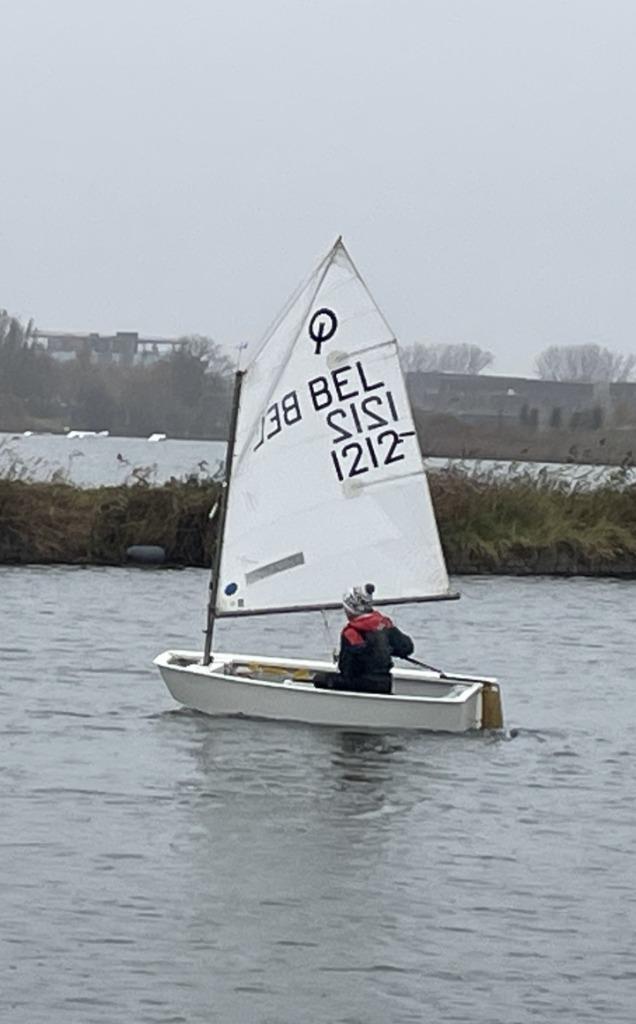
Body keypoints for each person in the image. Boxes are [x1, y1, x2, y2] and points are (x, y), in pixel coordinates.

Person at [314, 583, 414, 694]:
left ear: (351, 608)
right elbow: (407, 648)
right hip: (385, 684)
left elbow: (347, 670)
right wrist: (386, 648)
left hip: (361, 685)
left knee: (320, 678)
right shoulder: (383, 625)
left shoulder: (351, 633)